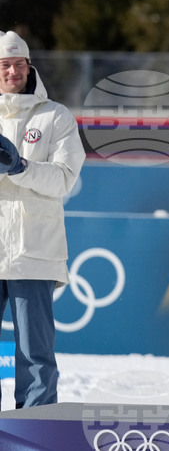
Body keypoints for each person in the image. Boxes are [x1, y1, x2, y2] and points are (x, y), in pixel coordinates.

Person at [0, 30, 85, 408]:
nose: (12, 71)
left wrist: (20, 166)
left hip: (34, 253)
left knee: (36, 356)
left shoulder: (56, 116)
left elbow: (65, 177)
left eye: (19, 64)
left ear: (30, 67)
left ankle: (35, 435)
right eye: (4, 64)